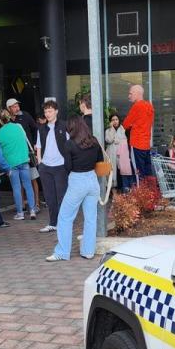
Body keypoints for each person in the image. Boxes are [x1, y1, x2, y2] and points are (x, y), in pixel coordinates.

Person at [47, 116, 101, 262]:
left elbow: (68, 167)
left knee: (64, 217)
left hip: (77, 181)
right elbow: (99, 161)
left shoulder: (69, 144)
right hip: (93, 180)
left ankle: (63, 252)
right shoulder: (94, 141)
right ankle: (88, 251)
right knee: (90, 218)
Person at [0, 109, 37, 220]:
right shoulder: (18, 127)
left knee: (17, 188)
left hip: (11, 164)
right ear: (9, 117)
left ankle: (20, 213)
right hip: (24, 160)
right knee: (28, 186)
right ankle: (32, 210)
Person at [35, 100, 70, 233]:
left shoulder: (64, 126)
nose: (47, 114)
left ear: (56, 111)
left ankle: (62, 223)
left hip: (60, 166)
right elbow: (38, 146)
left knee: (62, 196)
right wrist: (40, 163)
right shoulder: (41, 128)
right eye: (45, 111)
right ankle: (52, 223)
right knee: (49, 197)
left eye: (50, 111)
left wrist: (68, 162)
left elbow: (70, 144)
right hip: (46, 167)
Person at [7, 98, 41, 210]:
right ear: (9, 109)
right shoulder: (7, 121)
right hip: (15, 154)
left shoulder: (25, 115)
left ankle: (36, 203)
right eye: (14, 106)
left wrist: (36, 143)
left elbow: (35, 128)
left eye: (17, 105)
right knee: (19, 182)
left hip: (28, 152)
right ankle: (21, 204)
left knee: (32, 178)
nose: (17, 108)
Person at [122, 84, 155, 180]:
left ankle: (141, 194)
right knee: (148, 172)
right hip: (146, 145)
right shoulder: (150, 106)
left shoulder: (136, 106)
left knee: (138, 173)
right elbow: (149, 123)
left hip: (136, 143)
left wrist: (133, 125)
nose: (129, 96)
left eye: (130, 93)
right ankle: (150, 193)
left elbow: (125, 124)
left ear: (137, 93)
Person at [104, 113, 132, 193]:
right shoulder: (108, 130)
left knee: (122, 172)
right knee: (112, 172)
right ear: (110, 122)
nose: (115, 121)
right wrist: (112, 129)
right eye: (113, 120)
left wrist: (117, 140)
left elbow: (124, 140)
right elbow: (109, 140)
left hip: (122, 154)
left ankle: (123, 191)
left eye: (116, 119)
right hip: (111, 153)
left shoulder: (122, 129)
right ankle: (113, 192)